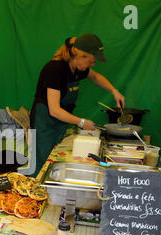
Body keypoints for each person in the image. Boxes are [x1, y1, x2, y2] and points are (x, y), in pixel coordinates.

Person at [29, 33, 125, 176]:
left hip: (60, 122)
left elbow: (96, 77)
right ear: (81, 55)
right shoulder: (55, 69)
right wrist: (81, 122)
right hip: (45, 123)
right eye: (91, 61)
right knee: (42, 166)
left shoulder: (78, 68)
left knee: (55, 164)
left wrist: (114, 90)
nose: (93, 65)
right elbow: (54, 110)